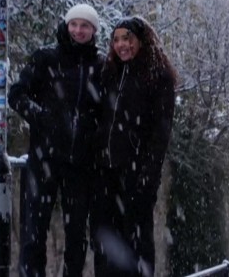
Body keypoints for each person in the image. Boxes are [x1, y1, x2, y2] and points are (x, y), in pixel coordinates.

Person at [8, 3, 103, 277]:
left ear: (93, 31)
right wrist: (41, 117)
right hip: (44, 159)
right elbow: (17, 94)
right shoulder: (46, 58)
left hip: (80, 164)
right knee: (34, 231)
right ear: (66, 25)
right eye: (74, 24)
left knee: (76, 236)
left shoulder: (99, 66)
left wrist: (93, 133)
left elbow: (106, 109)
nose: (78, 31)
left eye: (85, 26)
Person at [91, 16, 177, 277]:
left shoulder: (158, 76)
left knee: (136, 240)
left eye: (127, 39)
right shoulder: (110, 73)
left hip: (136, 172)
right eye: (116, 40)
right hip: (106, 171)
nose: (121, 45)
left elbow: (161, 134)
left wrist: (147, 176)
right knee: (105, 240)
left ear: (141, 41)